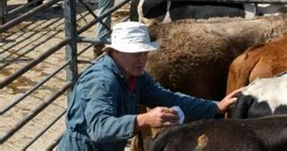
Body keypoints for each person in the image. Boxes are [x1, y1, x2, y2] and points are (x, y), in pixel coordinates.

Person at [58, 21, 241, 150]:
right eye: (134, 53)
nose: (142, 59)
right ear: (115, 52)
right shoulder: (102, 81)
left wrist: (215, 106)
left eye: (144, 53)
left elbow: (168, 97)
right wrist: (143, 120)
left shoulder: (135, 76)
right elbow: (99, 128)